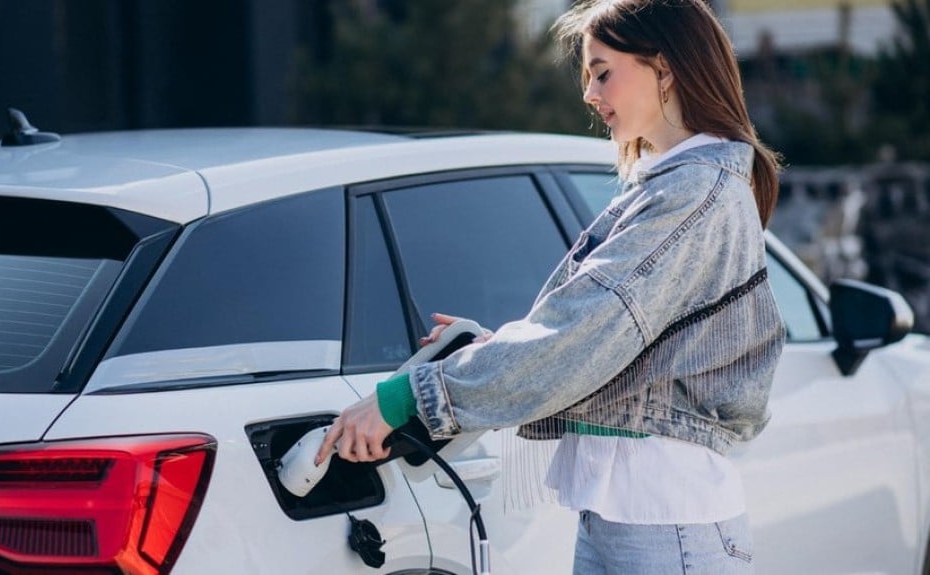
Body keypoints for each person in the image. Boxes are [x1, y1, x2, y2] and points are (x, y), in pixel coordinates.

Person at [316, 0, 786, 572]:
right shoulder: (676, 186)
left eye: (602, 71)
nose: (590, 93)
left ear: (664, 68)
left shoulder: (693, 194)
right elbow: (611, 346)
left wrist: (407, 396)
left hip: (665, 526)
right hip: (636, 522)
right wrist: (499, 351)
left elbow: (580, 334)